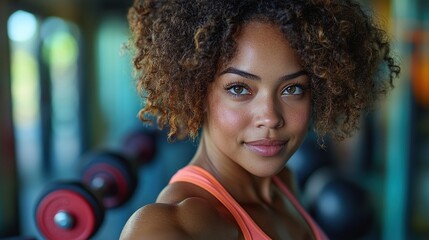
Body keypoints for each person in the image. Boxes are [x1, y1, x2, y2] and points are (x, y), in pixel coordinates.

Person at [121, 0, 400, 239]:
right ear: (196, 90)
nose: (270, 118)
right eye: (239, 88)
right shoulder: (176, 221)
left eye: (293, 89)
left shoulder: (283, 182)